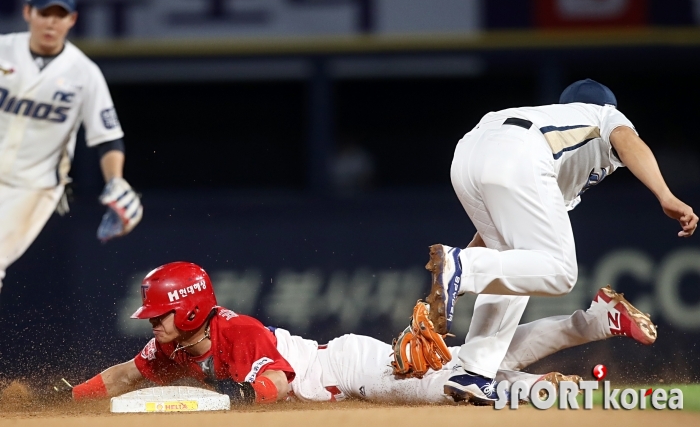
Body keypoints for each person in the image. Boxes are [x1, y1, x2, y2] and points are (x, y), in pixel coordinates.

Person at [422, 79, 694, 404]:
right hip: (519, 151)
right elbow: (626, 139)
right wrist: (665, 195)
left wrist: (461, 268)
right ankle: (463, 269)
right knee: (561, 271)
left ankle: (473, 373)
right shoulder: (602, 114)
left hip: (468, 152)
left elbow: (499, 231)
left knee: (516, 266)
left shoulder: (560, 138)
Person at [56, 261, 656, 406]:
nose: (152, 323)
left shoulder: (235, 331)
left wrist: (212, 404)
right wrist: (72, 404)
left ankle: (546, 391)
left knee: (462, 389)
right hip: (342, 371)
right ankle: (597, 320)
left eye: (159, 314)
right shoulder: (170, 345)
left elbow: (271, 387)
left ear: (189, 312)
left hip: (350, 371)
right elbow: (126, 374)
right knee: (476, 360)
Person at [0, 0, 143, 291]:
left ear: (72, 19)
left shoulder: (84, 73)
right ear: (27, 12)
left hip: (33, 187)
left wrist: (116, 180)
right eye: (44, 12)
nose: (51, 22)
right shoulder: (3, 50)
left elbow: (107, 137)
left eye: (60, 14)